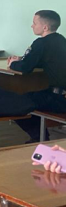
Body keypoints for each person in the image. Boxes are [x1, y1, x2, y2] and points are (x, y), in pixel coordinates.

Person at [7, 10, 66, 142]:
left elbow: (25, 68)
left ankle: (39, 137)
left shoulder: (41, 43)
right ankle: (40, 136)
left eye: (34, 23)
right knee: (32, 97)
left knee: (15, 103)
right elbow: (44, 60)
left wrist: (13, 63)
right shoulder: (62, 40)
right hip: (62, 95)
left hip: (58, 99)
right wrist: (22, 59)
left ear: (45, 27)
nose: (32, 26)